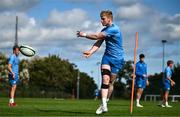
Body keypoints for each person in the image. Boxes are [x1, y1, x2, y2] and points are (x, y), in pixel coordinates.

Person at [77, 10, 124, 114]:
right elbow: (98, 42)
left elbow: (97, 36)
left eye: (103, 18)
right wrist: (90, 52)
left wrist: (84, 34)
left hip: (118, 60)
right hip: (107, 58)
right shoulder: (105, 30)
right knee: (105, 79)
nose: (101, 20)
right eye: (101, 18)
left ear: (109, 19)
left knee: (111, 82)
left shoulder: (114, 29)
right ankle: (104, 105)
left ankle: (104, 102)